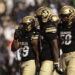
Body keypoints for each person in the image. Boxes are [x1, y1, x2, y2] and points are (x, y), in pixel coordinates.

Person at [36, 7, 60, 75]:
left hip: (49, 60)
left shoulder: (49, 28)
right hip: (44, 60)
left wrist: (56, 63)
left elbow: (55, 47)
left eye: (39, 18)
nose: (37, 20)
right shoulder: (42, 29)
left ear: (43, 17)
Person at [58, 5, 75, 75]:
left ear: (71, 16)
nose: (62, 18)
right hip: (63, 55)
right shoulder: (60, 26)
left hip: (73, 55)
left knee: (71, 72)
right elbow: (58, 41)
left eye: (64, 16)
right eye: (61, 16)